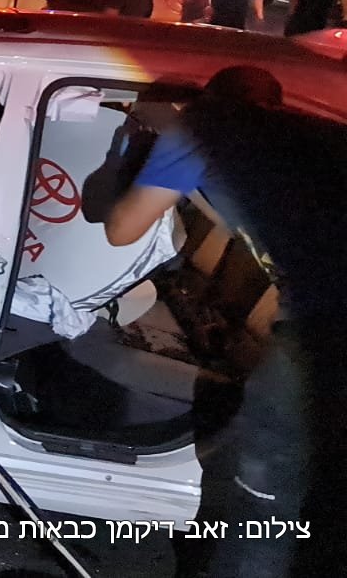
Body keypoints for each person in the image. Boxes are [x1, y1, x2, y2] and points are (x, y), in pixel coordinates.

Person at [101, 65, 347, 577]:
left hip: (324, 335)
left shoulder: (201, 131)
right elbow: (246, 217)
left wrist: (130, 160)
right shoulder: (300, 141)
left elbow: (121, 230)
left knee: (264, 506)